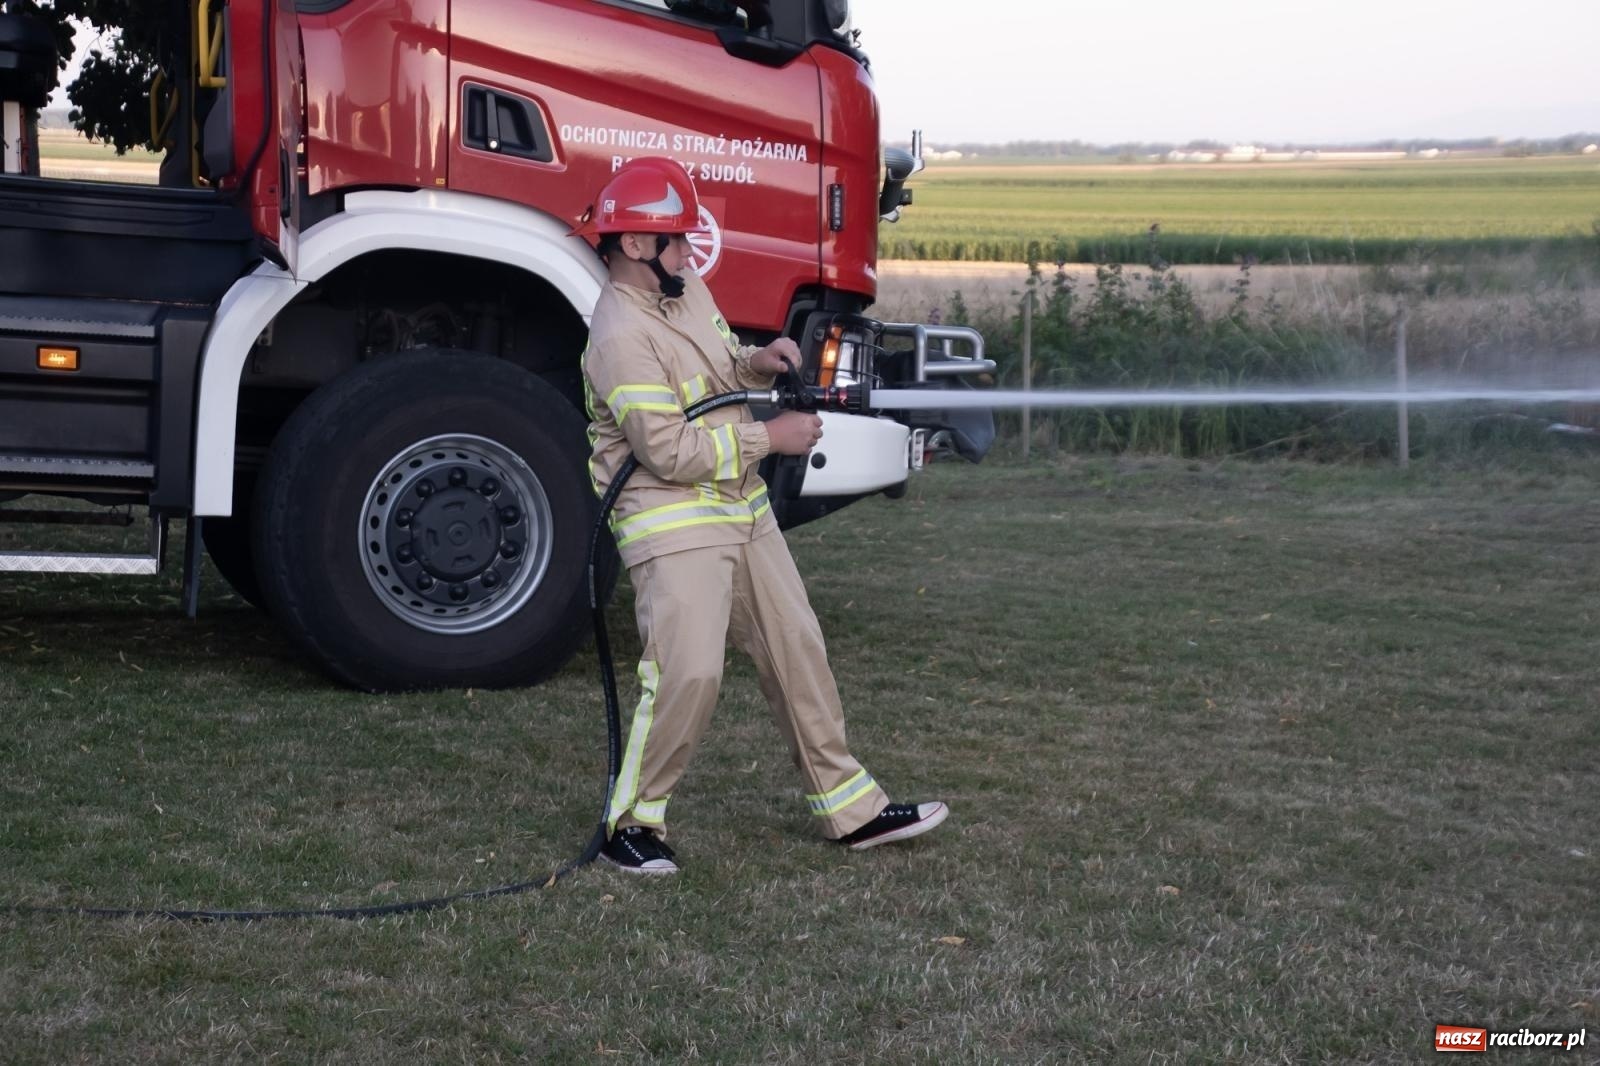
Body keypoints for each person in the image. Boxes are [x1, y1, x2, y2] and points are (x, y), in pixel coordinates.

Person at [574, 157, 947, 874]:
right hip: (672, 514)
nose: (691, 252)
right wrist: (769, 438)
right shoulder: (618, 334)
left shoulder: (680, 290)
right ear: (633, 246)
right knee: (687, 673)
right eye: (678, 240)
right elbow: (667, 449)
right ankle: (632, 824)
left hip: (739, 503)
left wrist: (756, 363)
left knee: (796, 645)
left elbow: (713, 373)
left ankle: (851, 809)